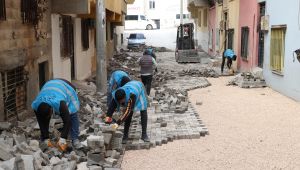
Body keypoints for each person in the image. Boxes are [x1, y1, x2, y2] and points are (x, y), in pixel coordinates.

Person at [31, 79, 82, 151]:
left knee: (72, 113)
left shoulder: (60, 103)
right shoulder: (36, 105)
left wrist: (62, 139)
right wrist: (46, 139)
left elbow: (67, 121)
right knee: (44, 118)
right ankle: (45, 139)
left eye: (49, 115)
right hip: (50, 86)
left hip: (66, 87)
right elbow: (41, 121)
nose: (48, 118)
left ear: (51, 109)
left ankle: (75, 139)